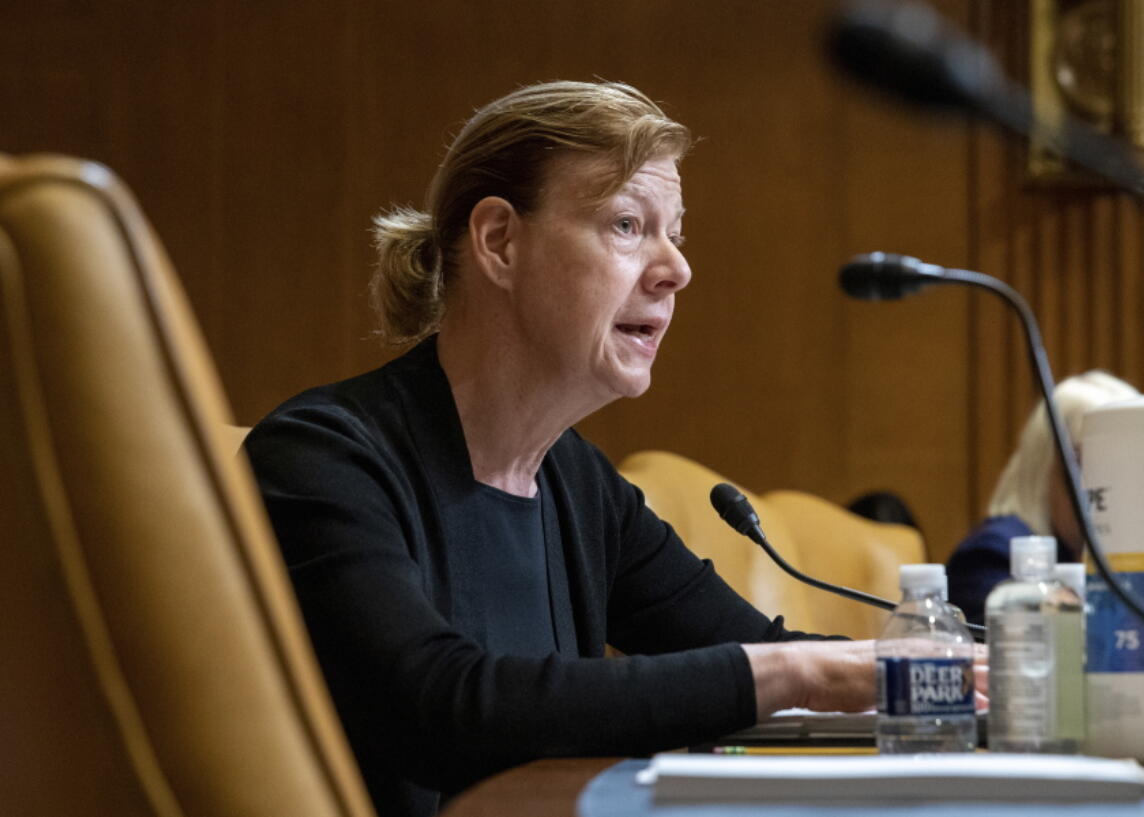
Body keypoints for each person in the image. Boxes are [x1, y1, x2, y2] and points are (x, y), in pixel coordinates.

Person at [244, 81, 881, 817]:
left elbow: (750, 646)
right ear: (499, 241)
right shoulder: (321, 457)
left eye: (676, 232)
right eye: (627, 224)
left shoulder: (578, 483)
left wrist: (951, 672)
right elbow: (438, 707)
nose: (677, 268)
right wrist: (797, 673)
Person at [946, 371, 1138, 625]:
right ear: (1048, 465)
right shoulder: (992, 557)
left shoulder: (1105, 554)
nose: (1122, 483)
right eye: (1098, 463)